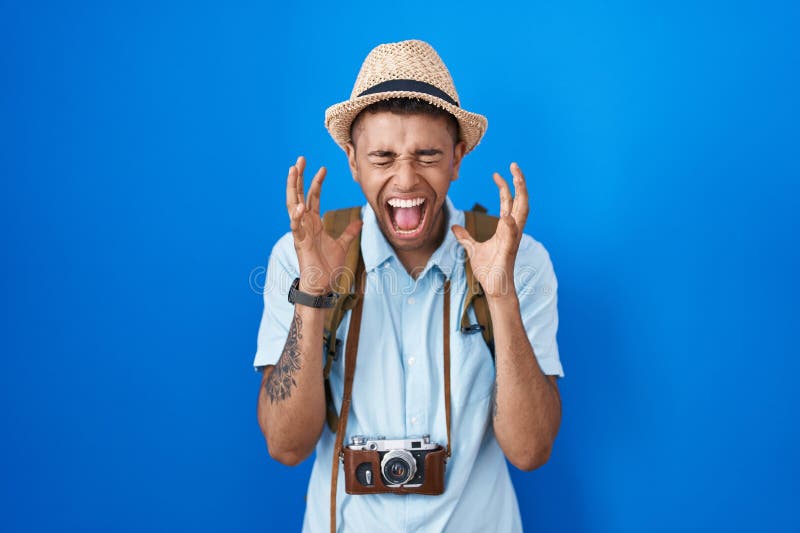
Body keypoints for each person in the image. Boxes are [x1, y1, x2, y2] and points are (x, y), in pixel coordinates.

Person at [253, 39, 564, 532]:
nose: (405, 180)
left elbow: (531, 450)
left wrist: (500, 294)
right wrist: (313, 291)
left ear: (458, 158)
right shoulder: (298, 256)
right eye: (382, 157)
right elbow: (285, 445)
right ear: (353, 161)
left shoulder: (521, 258)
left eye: (427, 155)